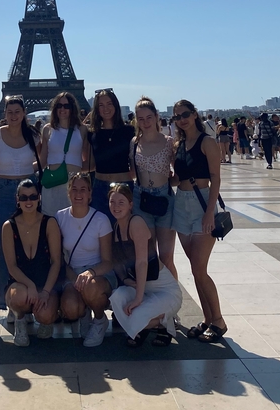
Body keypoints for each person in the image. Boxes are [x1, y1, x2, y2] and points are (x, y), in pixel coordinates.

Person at [170, 99, 228, 344]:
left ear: (194, 115)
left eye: (185, 114)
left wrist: (209, 212)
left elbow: (216, 178)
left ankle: (219, 321)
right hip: (181, 205)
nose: (182, 119)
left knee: (199, 269)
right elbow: (178, 179)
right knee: (195, 269)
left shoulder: (207, 142)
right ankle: (207, 319)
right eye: (177, 117)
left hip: (202, 203)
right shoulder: (178, 145)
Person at [0, 95, 41, 312]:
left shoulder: (33, 134)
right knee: (3, 245)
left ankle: (30, 298)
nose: (13, 115)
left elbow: (43, 159)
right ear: (4, 114)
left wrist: (28, 169)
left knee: (31, 243)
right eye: (10, 112)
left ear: (24, 113)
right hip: (5, 190)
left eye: (17, 111)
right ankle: (6, 300)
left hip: (29, 190)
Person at [108, 183, 182, 347]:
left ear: (130, 205)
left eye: (121, 202)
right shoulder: (116, 228)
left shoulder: (136, 223)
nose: (116, 206)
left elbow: (142, 262)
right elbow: (117, 262)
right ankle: (145, 325)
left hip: (164, 292)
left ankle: (162, 323)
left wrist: (138, 299)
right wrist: (125, 280)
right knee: (116, 298)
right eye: (112, 202)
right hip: (141, 288)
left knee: (135, 316)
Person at [56, 172, 115, 347]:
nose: (78, 194)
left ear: (90, 193)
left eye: (83, 189)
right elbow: (58, 257)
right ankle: (84, 313)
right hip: (72, 272)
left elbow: (108, 262)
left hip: (98, 273)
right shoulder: (60, 217)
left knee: (90, 287)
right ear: (68, 193)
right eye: (74, 189)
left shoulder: (101, 219)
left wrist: (90, 273)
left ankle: (100, 320)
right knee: (70, 308)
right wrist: (75, 278)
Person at [3, 179, 62, 346]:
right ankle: (20, 319)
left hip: (45, 283)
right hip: (20, 283)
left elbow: (56, 262)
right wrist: (29, 285)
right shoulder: (9, 226)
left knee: (46, 315)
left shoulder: (49, 223)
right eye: (23, 197)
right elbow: (11, 266)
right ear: (17, 200)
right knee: (19, 297)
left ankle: (45, 321)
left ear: (39, 198)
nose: (28, 201)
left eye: (33, 197)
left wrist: (45, 292)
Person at [130, 97, 177, 279]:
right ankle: (154, 292)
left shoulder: (168, 142)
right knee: (149, 256)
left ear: (157, 116)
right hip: (141, 198)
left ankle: (172, 293)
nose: (146, 122)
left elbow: (179, 173)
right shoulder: (134, 143)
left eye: (149, 117)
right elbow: (132, 172)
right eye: (141, 119)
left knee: (166, 256)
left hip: (164, 198)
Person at [83, 88, 134, 218]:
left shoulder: (129, 131)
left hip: (124, 186)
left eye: (109, 104)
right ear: (96, 109)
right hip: (99, 187)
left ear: (116, 105)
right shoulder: (92, 133)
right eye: (101, 105)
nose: (105, 108)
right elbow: (90, 165)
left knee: (124, 228)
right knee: (100, 228)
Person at [40, 92, 87, 217]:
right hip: (53, 182)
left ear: (72, 108)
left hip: (73, 184)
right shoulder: (47, 129)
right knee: (51, 222)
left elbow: (88, 161)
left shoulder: (82, 129)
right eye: (59, 106)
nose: (62, 109)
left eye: (66, 106)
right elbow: (42, 161)